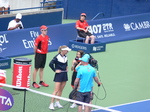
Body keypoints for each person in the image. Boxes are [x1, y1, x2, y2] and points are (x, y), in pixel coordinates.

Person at [49, 45, 71, 110]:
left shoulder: (65, 57)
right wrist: (55, 70)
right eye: (66, 50)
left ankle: (57, 102)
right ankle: (51, 104)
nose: (67, 51)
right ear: (63, 50)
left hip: (64, 74)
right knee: (56, 90)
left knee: (61, 90)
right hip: (59, 75)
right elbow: (50, 64)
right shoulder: (57, 57)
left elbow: (66, 63)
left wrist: (66, 67)